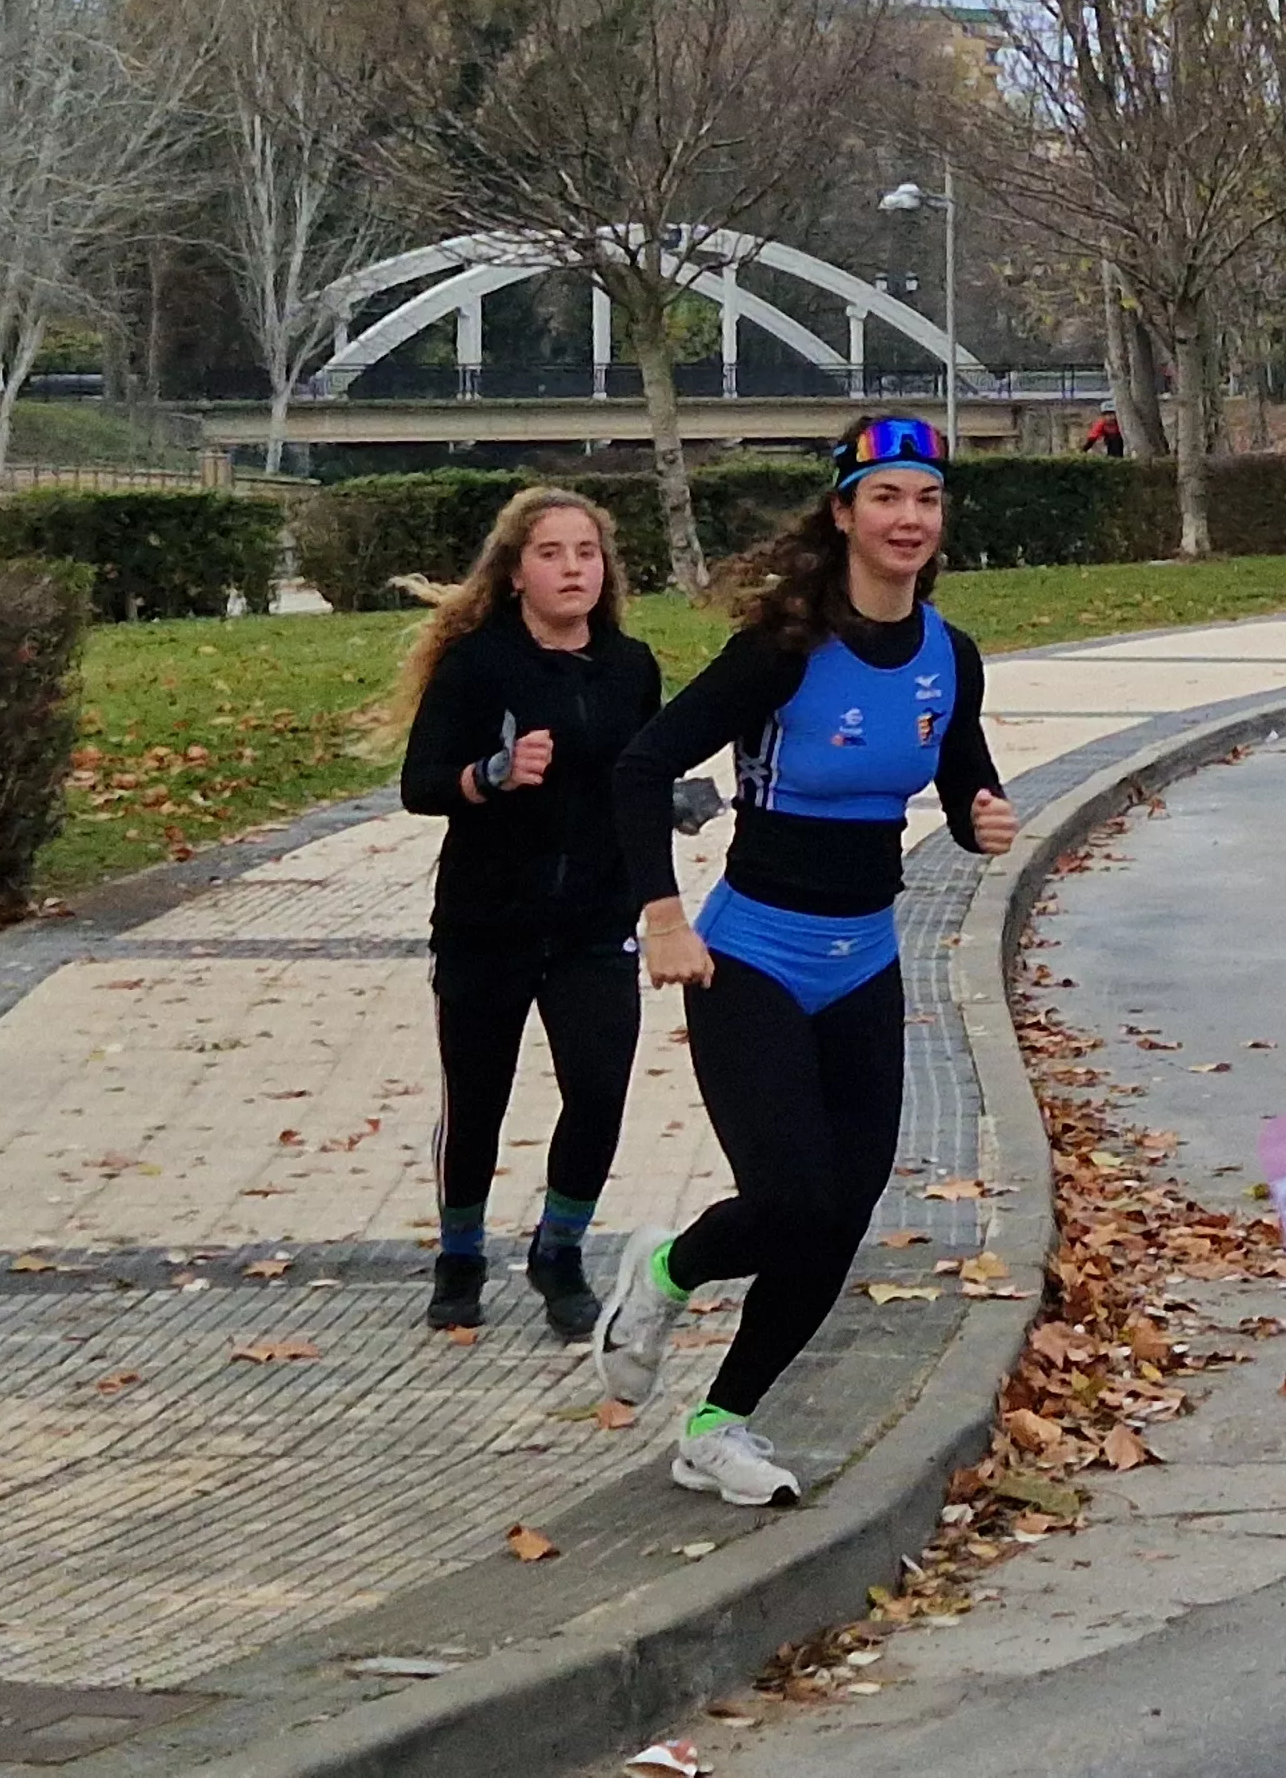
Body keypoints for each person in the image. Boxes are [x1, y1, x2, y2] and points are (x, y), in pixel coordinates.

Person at [592, 415, 1020, 1507]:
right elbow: (638, 768)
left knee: (843, 1214)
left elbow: (966, 783)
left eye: (925, 499)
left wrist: (984, 820)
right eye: (885, 498)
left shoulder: (947, 656)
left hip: (864, 963)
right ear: (843, 514)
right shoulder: (783, 652)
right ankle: (662, 1272)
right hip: (753, 960)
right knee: (788, 1204)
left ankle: (717, 1425)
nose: (908, 519)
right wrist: (661, 917)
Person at [387, 485, 662, 1336]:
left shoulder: (630, 667)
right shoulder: (479, 665)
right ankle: (460, 1254)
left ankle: (560, 1250)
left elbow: (637, 779)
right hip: (486, 920)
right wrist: (490, 776)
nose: (572, 568)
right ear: (514, 573)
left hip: (592, 921)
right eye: (551, 553)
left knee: (599, 1089)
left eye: (586, 552)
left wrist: (673, 804)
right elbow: (420, 786)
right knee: (478, 1098)